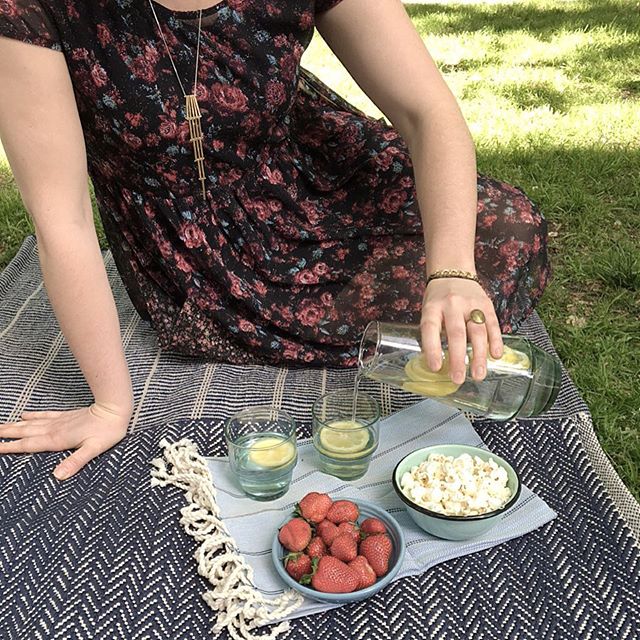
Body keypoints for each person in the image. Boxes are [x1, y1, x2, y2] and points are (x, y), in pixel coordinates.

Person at [0, 0, 550, 480]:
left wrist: (450, 273)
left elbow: (428, 114)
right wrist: (109, 405)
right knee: (363, 326)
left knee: (498, 227)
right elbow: (61, 218)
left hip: (302, 182)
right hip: (194, 254)